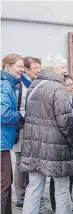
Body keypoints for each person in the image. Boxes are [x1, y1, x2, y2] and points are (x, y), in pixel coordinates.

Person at [19, 54, 73, 214]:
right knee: (62, 188)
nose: (64, 71)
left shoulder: (34, 85)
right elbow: (66, 121)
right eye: (62, 67)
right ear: (51, 68)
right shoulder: (58, 88)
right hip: (56, 147)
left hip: (34, 144)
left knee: (34, 187)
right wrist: (72, 141)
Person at [12, 57, 40, 209]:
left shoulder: (34, 84)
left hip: (32, 127)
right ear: (26, 69)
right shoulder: (19, 84)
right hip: (22, 127)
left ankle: (30, 194)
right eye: (35, 67)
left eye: (39, 67)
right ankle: (21, 196)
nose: (38, 70)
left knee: (28, 162)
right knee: (20, 163)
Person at [49, 75, 73, 212]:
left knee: (70, 174)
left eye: (72, 84)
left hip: (71, 143)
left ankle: (68, 200)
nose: (71, 86)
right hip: (61, 142)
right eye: (68, 84)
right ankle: (56, 206)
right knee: (58, 177)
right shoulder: (59, 100)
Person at [1, 53, 24, 214]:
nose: (22, 70)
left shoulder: (8, 83)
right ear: (8, 66)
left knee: (6, 182)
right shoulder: (4, 84)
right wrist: (20, 116)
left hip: (4, 140)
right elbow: (3, 113)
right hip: (1, 141)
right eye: (19, 66)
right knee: (4, 183)